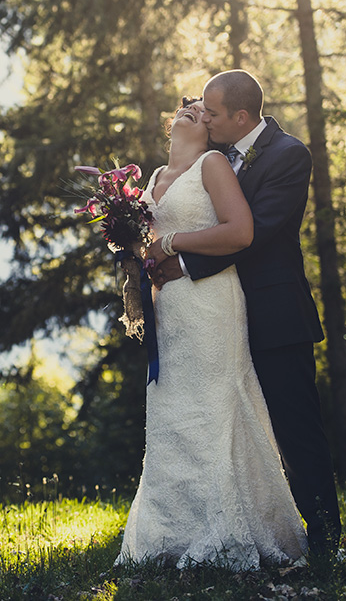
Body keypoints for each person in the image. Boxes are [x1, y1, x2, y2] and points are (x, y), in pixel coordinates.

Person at [152, 69, 342, 556]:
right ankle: (230, 526)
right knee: (224, 421)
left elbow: (257, 232)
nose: (204, 117)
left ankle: (324, 538)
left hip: (274, 312)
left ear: (241, 116)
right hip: (214, 316)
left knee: (294, 427)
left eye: (212, 113)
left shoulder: (288, 155)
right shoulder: (207, 158)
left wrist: (181, 260)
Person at [116, 97, 308, 571]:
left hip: (210, 300)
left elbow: (240, 231)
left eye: (202, 110)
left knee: (216, 403)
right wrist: (130, 250)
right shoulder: (153, 180)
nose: (192, 110)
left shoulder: (213, 163)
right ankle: (168, 534)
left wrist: (167, 244)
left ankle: (230, 530)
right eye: (187, 105)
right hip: (170, 307)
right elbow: (142, 247)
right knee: (172, 411)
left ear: (213, 129)